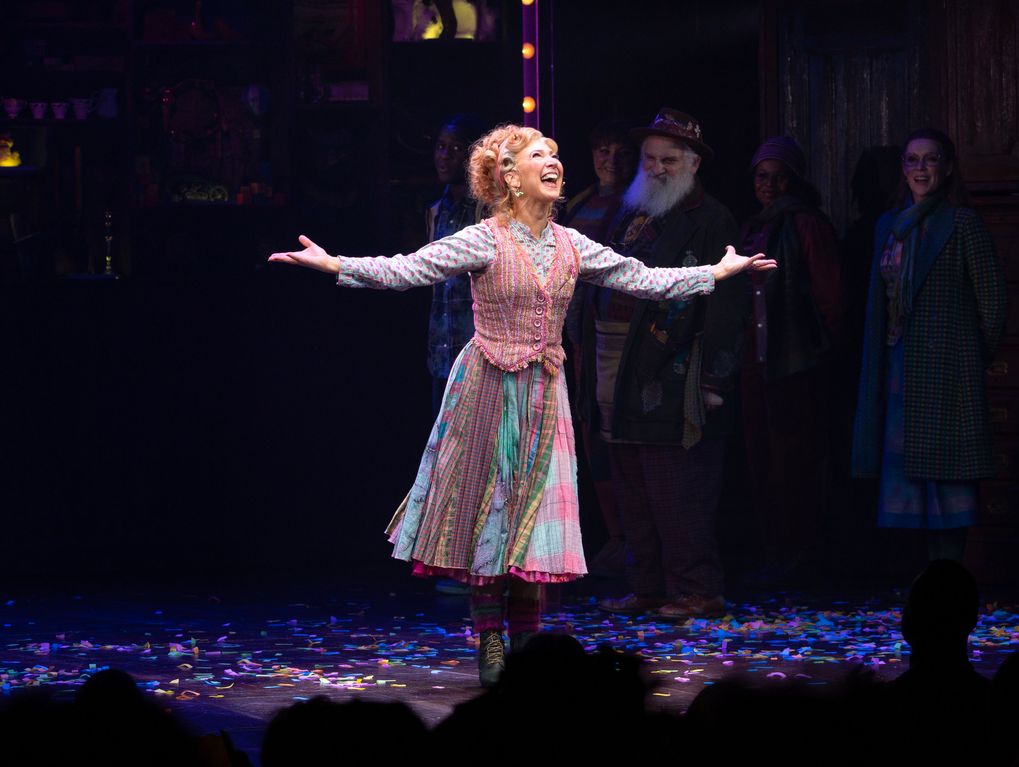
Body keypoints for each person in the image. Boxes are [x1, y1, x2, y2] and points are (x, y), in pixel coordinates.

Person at [269, 123, 775, 687]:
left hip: (544, 394)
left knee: (535, 523)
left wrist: (717, 272)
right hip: (487, 390)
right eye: (540, 155)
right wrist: (336, 265)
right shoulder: (483, 238)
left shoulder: (572, 243)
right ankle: (490, 637)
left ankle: (529, 642)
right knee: (493, 514)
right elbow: (408, 269)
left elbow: (645, 279)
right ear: (509, 176)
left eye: (556, 153)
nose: (554, 161)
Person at [576, 108, 746, 619]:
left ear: (692, 165)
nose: (657, 168)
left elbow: (727, 301)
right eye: (650, 159)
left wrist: (715, 378)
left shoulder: (711, 218)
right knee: (631, 484)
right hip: (615, 365)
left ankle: (695, 588)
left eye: (669, 160)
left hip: (672, 372)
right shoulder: (630, 213)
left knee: (678, 487)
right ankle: (648, 585)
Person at [851, 128, 1005, 562]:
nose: (921, 169)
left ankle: (948, 582)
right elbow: (878, 304)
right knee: (910, 492)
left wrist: (968, 361)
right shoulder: (889, 226)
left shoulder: (962, 224)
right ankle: (924, 586)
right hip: (900, 366)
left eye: (931, 160)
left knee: (948, 487)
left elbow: (992, 303)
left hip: (947, 374)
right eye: (913, 160)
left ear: (948, 167)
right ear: (903, 169)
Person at [737, 136, 844, 582]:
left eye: (780, 176)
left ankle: (801, 556)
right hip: (755, 363)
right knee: (762, 463)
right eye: (763, 176)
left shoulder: (806, 224)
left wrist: (824, 353)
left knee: (795, 464)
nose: (770, 185)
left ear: (795, 181)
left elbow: (831, 295)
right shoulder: (751, 228)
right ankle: (774, 553)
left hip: (795, 362)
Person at [561, 119, 637, 576]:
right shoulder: (582, 204)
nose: (610, 160)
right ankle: (614, 534)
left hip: (617, 332)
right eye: (601, 151)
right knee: (591, 432)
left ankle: (633, 536)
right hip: (580, 332)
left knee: (618, 430)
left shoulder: (639, 207)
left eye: (619, 151)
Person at [425, 115, 485, 598]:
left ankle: (479, 562)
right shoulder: (436, 210)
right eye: (439, 147)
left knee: (478, 460)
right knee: (449, 458)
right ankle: (454, 556)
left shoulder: (486, 212)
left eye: (454, 148)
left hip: (477, 350)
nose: (444, 156)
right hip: (441, 351)